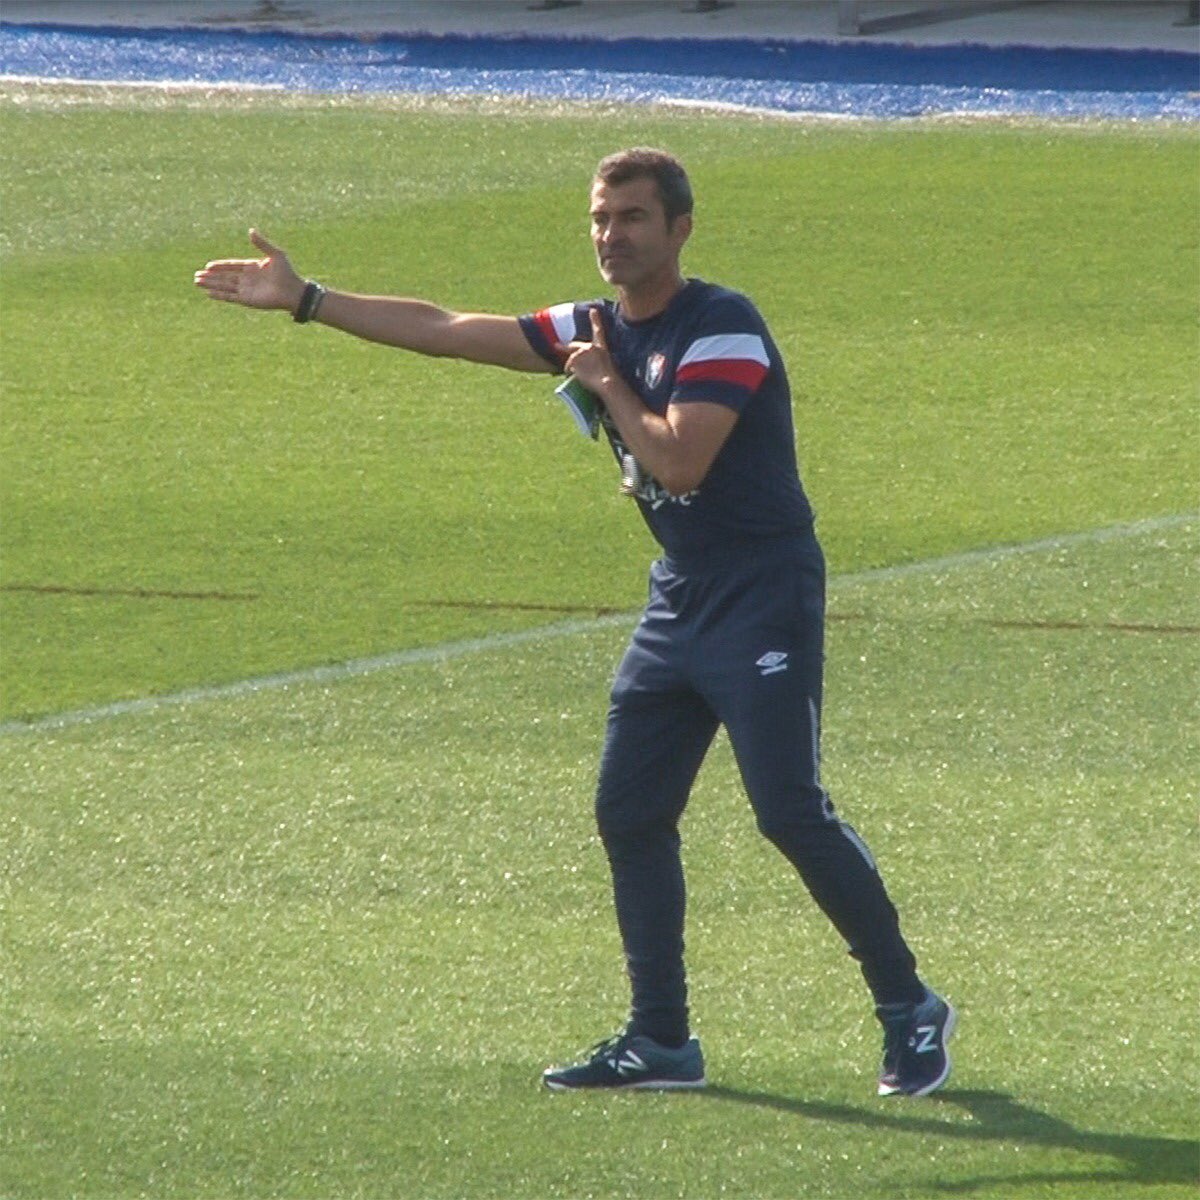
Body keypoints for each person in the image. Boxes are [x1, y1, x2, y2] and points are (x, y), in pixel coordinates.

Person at [194, 147, 955, 1098]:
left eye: (632, 218)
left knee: (788, 811)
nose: (611, 235)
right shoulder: (591, 326)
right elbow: (444, 329)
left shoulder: (724, 327)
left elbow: (680, 465)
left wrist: (607, 384)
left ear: (680, 229)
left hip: (762, 592)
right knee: (629, 812)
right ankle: (662, 1041)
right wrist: (309, 299)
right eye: (600, 218)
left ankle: (908, 1008)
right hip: (679, 596)